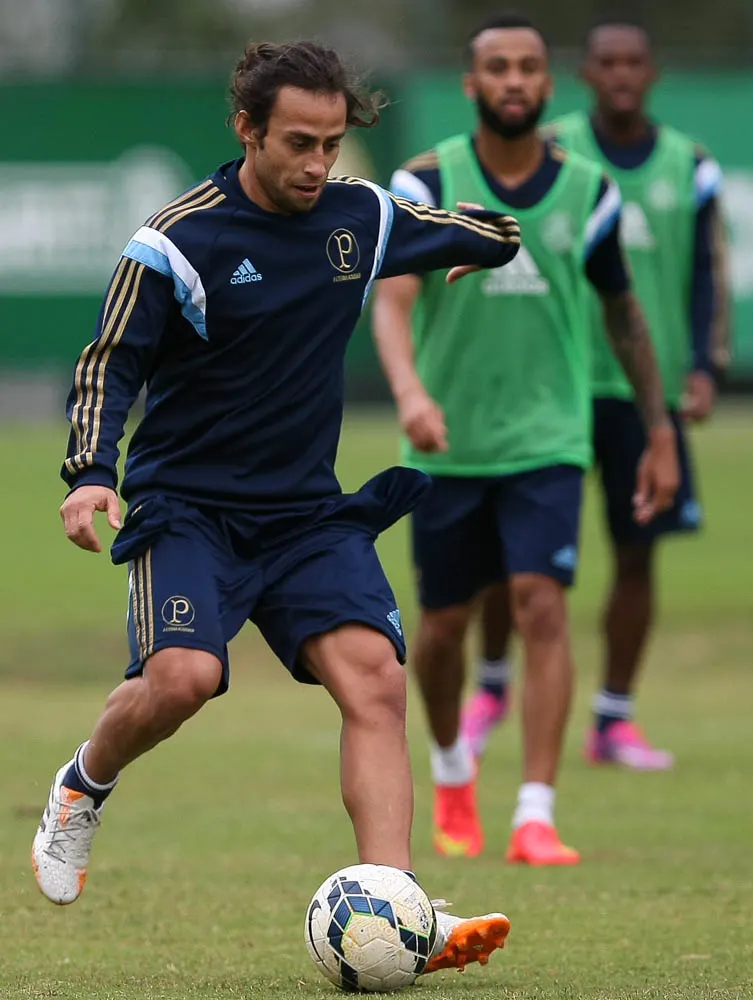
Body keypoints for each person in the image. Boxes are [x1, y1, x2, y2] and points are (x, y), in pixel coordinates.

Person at [31, 40, 521, 973]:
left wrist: (488, 248)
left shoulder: (357, 217)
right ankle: (81, 787)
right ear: (246, 129)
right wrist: (91, 470)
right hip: (188, 510)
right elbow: (109, 364)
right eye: (298, 142)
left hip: (302, 517)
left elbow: (471, 225)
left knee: (375, 679)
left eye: (333, 144)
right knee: (184, 680)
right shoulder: (177, 240)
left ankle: (399, 911)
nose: (317, 165)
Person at [373, 13, 679, 866]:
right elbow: (391, 301)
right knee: (440, 629)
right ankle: (450, 772)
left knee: (542, 605)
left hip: (549, 436)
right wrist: (409, 392)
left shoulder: (588, 190)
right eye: (496, 68)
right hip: (446, 440)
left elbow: (622, 312)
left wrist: (656, 431)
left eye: (528, 68)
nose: (513, 80)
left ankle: (534, 814)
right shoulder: (425, 180)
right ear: (471, 86)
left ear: (549, 86)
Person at [466, 19, 730, 771]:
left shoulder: (692, 166)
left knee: (637, 553)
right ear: (583, 73)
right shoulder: (548, 153)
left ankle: (613, 718)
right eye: (605, 62)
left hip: (639, 393)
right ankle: (490, 691)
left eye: (632, 62)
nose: (619, 73)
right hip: (549, 385)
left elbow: (709, 271)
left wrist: (705, 366)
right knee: (501, 557)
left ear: (650, 72)